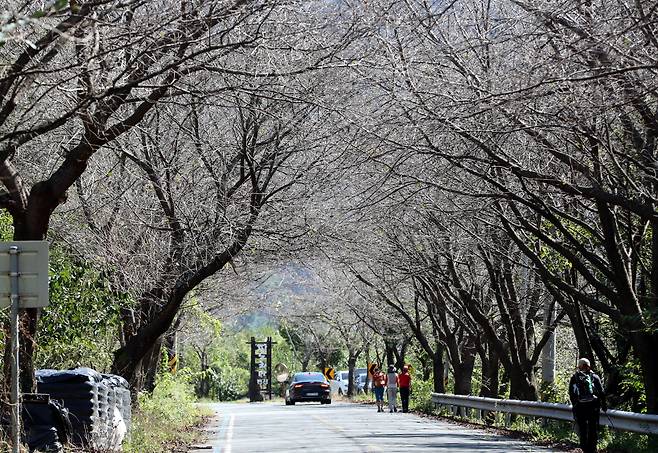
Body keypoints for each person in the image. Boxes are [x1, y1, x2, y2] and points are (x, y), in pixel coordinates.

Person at [569, 358, 607, 453]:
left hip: (580, 407)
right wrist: (604, 404)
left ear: (579, 366)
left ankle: (584, 449)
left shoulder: (574, 377)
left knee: (583, 429)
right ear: (589, 366)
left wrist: (575, 404)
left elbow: (571, 393)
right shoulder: (595, 377)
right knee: (593, 428)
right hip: (593, 407)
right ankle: (592, 449)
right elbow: (601, 392)